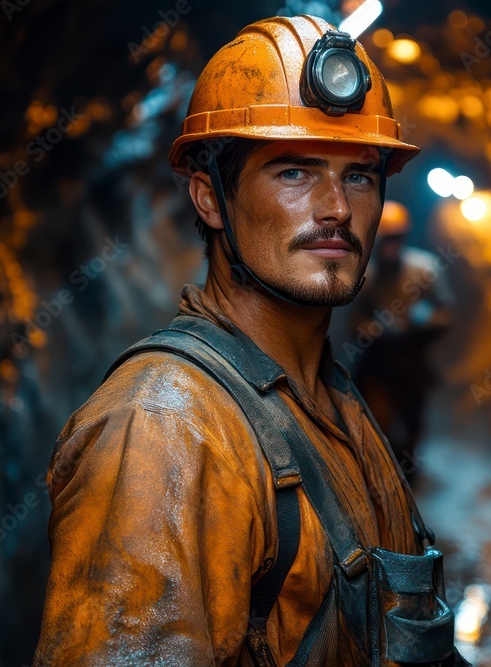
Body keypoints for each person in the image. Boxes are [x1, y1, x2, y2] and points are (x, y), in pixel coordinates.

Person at [34, 15, 466, 667]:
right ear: (209, 198)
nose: (337, 208)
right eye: (294, 172)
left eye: (360, 175)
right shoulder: (164, 431)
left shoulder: (332, 401)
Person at [332, 201, 456, 485]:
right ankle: (377, 478)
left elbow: (445, 312)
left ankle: (408, 478)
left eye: (396, 239)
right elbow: (354, 321)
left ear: (404, 238)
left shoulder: (424, 270)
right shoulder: (367, 274)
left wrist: (425, 321)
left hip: (412, 357)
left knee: (412, 420)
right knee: (375, 419)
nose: (391, 246)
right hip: (379, 358)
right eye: (386, 239)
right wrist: (372, 329)